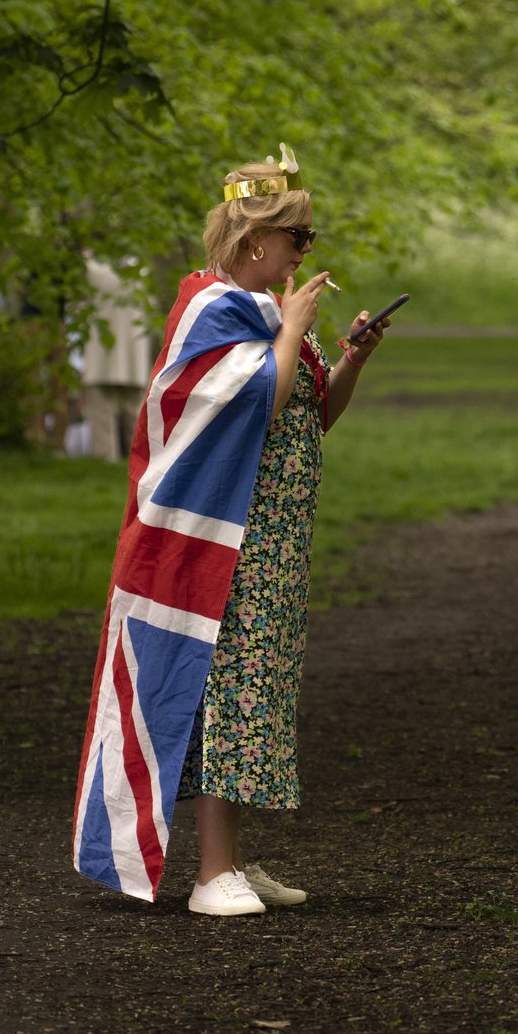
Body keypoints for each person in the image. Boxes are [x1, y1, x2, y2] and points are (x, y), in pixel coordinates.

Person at [68, 146, 389, 917]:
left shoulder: (271, 320)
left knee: (257, 693)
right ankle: (212, 872)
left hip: (273, 541)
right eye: (297, 236)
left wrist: (348, 358)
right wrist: (294, 327)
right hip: (227, 546)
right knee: (230, 695)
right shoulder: (215, 312)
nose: (305, 249)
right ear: (255, 244)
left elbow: (309, 411)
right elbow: (259, 400)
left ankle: (235, 860)